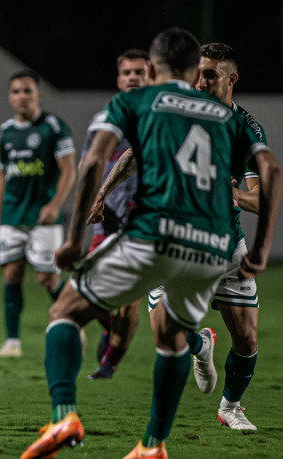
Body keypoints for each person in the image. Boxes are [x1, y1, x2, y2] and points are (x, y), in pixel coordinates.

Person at [22, 28, 281, 459]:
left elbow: (94, 159)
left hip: (157, 238)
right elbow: (270, 171)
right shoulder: (229, 122)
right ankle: (154, 444)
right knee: (172, 335)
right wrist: (265, 247)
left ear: (155, 68)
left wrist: (73, 237)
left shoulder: (144, 101)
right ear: (191, 71)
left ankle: (65, 414)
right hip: (211, 247)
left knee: (65, 313)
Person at [97, 42, 268, 431]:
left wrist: (233, 193)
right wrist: (103, 192)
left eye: (211, 74)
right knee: (165, 331)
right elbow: (133, 155)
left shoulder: (246, 129)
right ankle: (199, 345)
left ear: (231, 78)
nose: (201, 80)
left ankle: (231, 407)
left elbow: (262, 199)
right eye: (197, 72)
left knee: (246, 340)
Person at [0, 69, 76, 358]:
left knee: (47, 278)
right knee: (12, 274)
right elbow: (3, 175)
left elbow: (69, 170)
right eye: (16, 91)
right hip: (12, 215)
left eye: (27, 91)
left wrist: (54, 205)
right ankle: (12, 342)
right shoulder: (6, 131)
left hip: (43, 217)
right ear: (9, 97)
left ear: (38, 94)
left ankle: (73, 324)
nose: (22, 97)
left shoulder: (53, 126)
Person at [83, 49, 150, 380]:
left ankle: (108, 365)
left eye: (140, 71)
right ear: (119, 78)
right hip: (107, 217)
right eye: (128, 72)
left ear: (151, 76)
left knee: (131, 303)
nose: (134, 77)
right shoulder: (102, 121)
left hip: (146, 224)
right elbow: (89, 167)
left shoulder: (159, 119)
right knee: (84, 288)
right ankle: (111, 331)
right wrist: (92, 202)